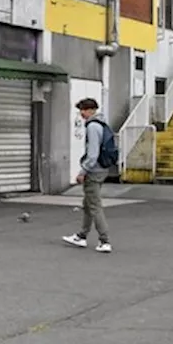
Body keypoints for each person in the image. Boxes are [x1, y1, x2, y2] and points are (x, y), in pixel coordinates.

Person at [63, 98, 115, 254]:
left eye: (83, 110)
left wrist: (82, 171)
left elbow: (93, 154)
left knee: (94, 205)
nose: (81, 114)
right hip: (102, 169)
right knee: (88, 204)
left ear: (91, 110)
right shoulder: (103, 124)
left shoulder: (92, 127)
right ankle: (81, 236)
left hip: (94, 171)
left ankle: (104, 240)